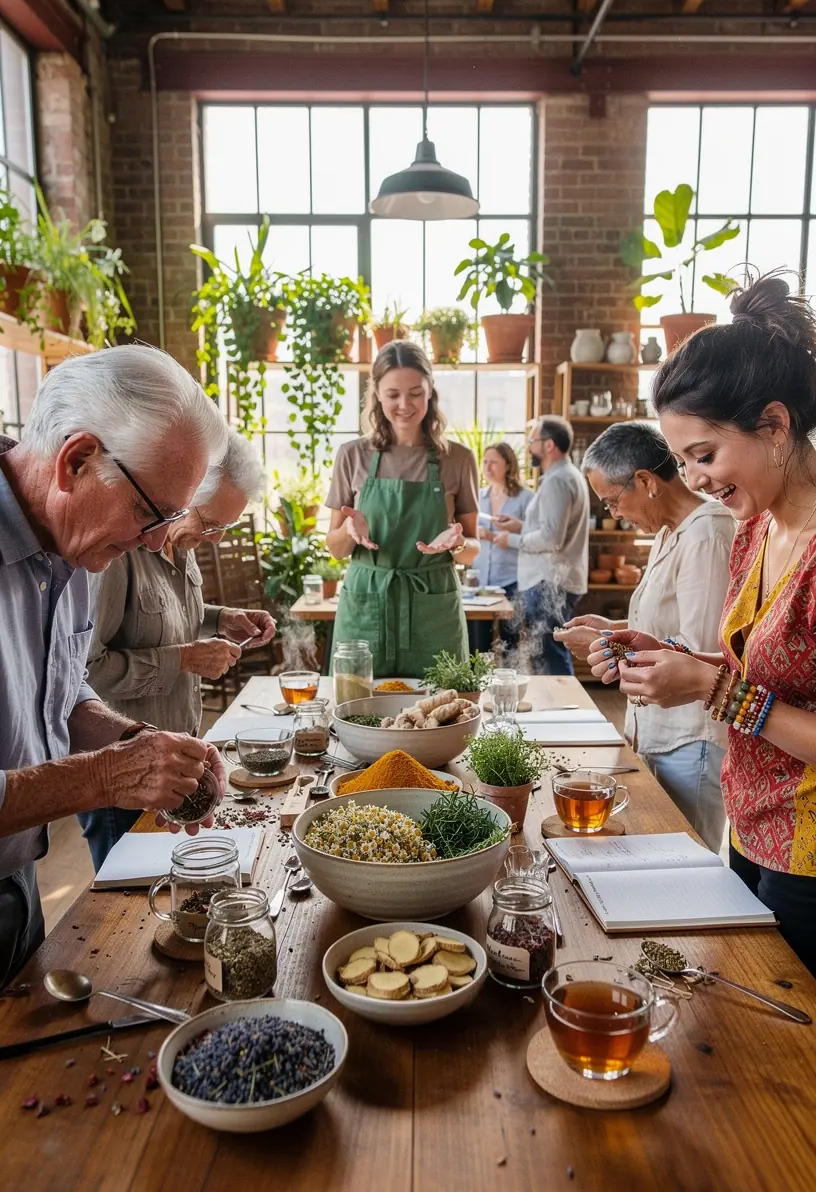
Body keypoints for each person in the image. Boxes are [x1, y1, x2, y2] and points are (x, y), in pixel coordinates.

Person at [587, 274, 816, 973]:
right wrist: (665, 655)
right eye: (683, 462)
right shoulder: (756, 529)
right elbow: (756, 671)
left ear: (774, 425)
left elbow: (740, 694)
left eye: (705, 455)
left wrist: (714, 690)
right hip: (750, 822)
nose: (695, 481)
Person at [0, 345, 229, 987]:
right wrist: (105, 777)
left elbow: (62, 687)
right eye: (149, 513)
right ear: (77, 460)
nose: (156, 540)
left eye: (171, 518)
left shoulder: (74, 545)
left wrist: (135, 740)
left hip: (17, 881)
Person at [78, 430, 277, 870]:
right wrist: (185, 659)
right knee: (123, 894)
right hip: (122, 769)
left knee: (171, 879)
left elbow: (159, 616)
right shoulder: (117, 553)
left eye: (225, 527)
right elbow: (85, 673)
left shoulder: (181, 541)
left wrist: (221, 617)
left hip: (176, 753)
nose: (216, 539)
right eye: (211, 524)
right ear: (183, 496)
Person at [554, 422, 734, 851]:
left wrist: (604, 646)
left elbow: (697, 653)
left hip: (689, 737)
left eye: (612, 501)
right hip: (659, 729)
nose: (614, 513)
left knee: (684, 858)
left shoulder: (706, 534)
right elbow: (663, 629)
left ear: (646, 482)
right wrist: (612, 629)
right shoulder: (670, 531)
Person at [325, 340, 479, 677]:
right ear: (377, 393)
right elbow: (335, 549)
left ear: (430, 390)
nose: (404, 405)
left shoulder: (458, 459)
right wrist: (349, 531)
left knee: (443, 703)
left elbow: (472, 550)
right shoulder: (352, 455)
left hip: (433, 614)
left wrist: (456, 543)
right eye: (393, 394)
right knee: (358, 701)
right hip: (367, 606)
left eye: (415, 393)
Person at [501, 415, 589, 675]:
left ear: (549, 445)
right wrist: (520, 526)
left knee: (551, 657)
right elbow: (554, 527)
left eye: (533, 441)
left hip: (548, 582)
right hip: (555, 580)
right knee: (547, 655)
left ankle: (562, 701)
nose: (529, 447)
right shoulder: (566, 475)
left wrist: (511, 540)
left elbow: (551, 539)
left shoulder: (557, 481)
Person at [470, 443, 533, 659]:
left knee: (510, 644)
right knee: (477, 645)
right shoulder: (477, 497)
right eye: (485, 462)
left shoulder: (526, 498)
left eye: (494, 462)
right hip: (480, 583)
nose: (487, 467)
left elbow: (537, 537)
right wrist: (476, 533)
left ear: (508, 465)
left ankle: (509, 679)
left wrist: (510, 534)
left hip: (513, 581)